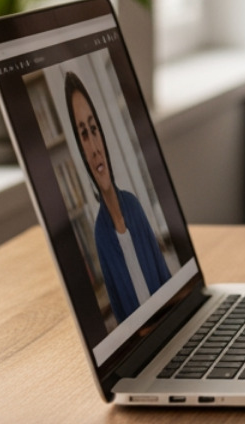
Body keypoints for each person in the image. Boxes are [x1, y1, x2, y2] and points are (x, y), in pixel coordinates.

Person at [64, 71, 172, 323]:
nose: (93, 147)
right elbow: (122, 318)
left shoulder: (133, 206)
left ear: (102, 134)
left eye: (93, 129)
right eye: (83, 135)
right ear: (81, 150)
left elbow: (165, 277)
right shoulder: (101, 235)